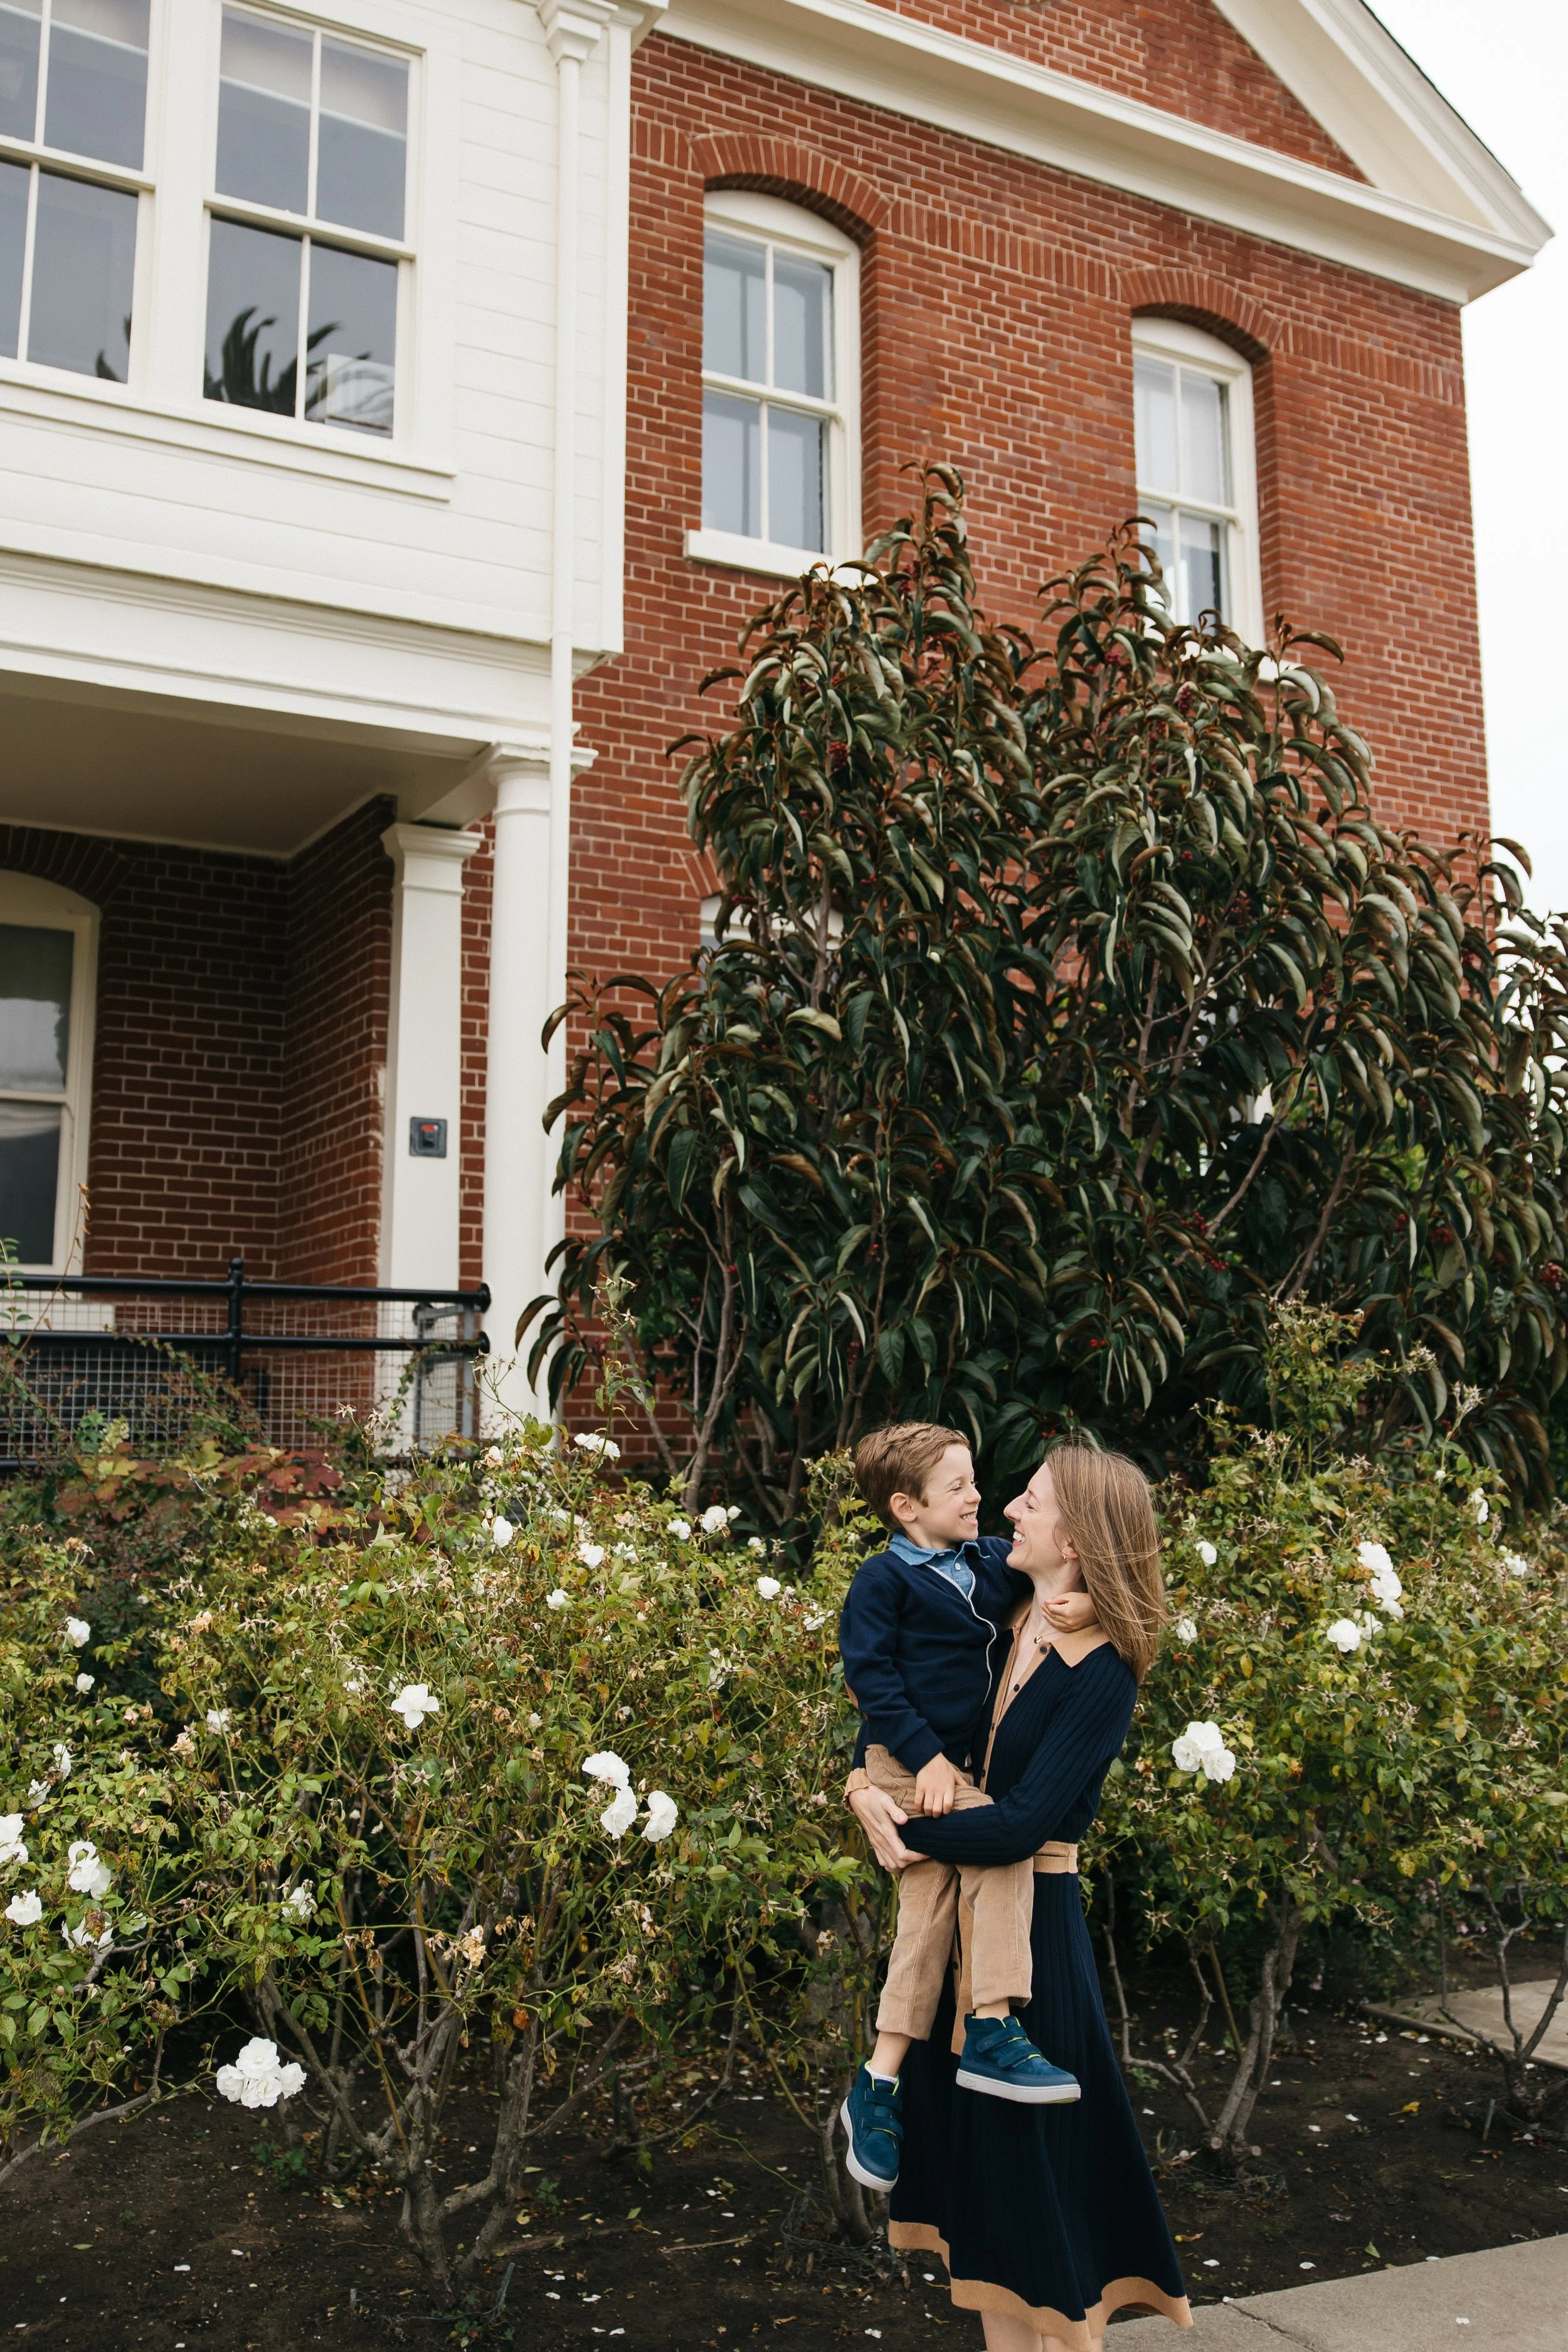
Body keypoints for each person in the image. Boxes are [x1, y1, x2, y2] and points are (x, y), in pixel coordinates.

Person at [849, 1446, 1192, 2351]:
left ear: (1074, 1540)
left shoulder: (1103, 1670)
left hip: (1035, 1943)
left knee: (1048, 2209)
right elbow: (897, 1692)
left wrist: (898, 1828)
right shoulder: (1001, 1611)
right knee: (991, 2214)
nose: (1006, 1509)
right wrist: (859, 1783)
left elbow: (1017, 1827)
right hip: (964, 1927)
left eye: (1030, 1502)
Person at [837, 1424, 1099, 2196]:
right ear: (905, 1507)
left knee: (925, 1916)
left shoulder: (984, 1562)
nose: (981, 1497)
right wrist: (915, 1763)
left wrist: (1089, 1604)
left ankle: (879, 2079)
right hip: (910, 1766)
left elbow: (1068, 1583)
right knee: (999, 1851)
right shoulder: (881, 1582)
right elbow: (871, 1682)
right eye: (958, 1487)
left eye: (974, 1480)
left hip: (951, 1774)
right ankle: (989, 2022)